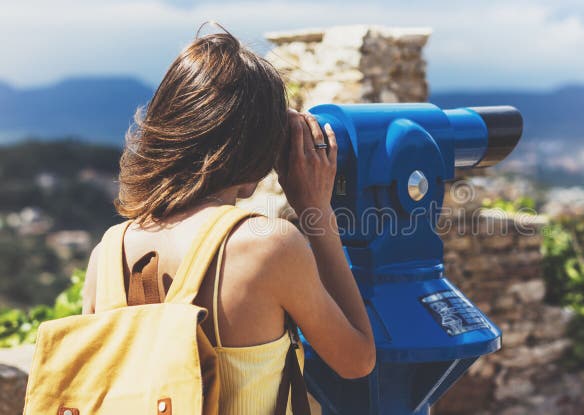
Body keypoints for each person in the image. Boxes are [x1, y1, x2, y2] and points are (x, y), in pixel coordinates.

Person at [80, 26, 375, 414]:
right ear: (259, 147)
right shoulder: (267, 246)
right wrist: (316, 210)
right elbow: (357, 360)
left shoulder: (108, 253)